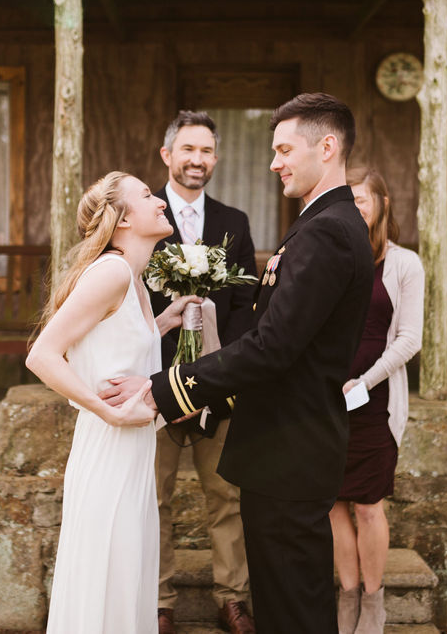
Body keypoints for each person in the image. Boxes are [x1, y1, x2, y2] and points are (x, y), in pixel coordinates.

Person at [147, 92, 375, 633]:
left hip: (289, 448)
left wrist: (172, 387)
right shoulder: (324, 223)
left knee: (292, 608)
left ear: (327, 146)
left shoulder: (328, 231)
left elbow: (273, 346)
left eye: (283, 149)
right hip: (282, 446)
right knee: (283, 603)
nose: (274, 163)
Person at [102, 111, 257, 634]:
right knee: (155, 496)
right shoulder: (141, 219)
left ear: (215, 158)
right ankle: (159, 600)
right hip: (155, 384)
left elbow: (243, 303)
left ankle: (233, 598)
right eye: (188, 149)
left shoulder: (235, 222)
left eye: (207, 151)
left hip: (219, 385)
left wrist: (225, 367)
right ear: (167, 155)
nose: (198, 160)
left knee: (227, 495)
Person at [25, 171, 199, 634]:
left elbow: (116, 345)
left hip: (133, 454)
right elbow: (42, 355)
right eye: (147, 196)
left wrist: (163, 323)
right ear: (121, 219)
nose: (161, 202)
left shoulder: (134, 279)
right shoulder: (112, 271)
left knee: (126, 575)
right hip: (109, 452)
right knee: (109, 577)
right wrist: (105, 409)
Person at [331, 168, 425, 634]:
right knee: (332, 503)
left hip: (375, 399)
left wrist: (363, 381)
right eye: (345, 201)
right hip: (328, 399)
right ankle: (346, 595)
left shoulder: (405, 264)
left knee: (367, 504)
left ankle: (373, 600)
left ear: (382, 205)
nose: (353, 209)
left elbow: (409, 340)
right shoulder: (335, 260)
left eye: (361, 200)